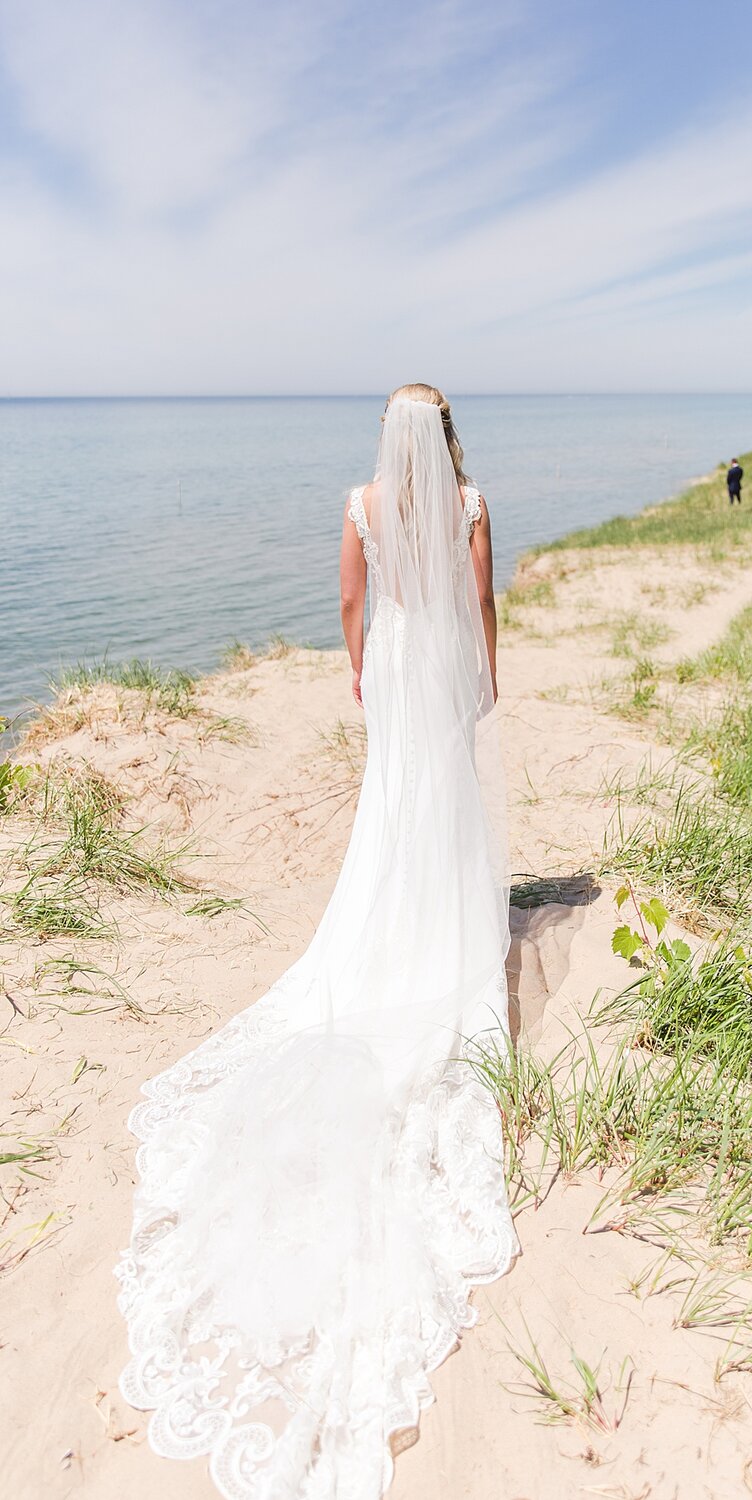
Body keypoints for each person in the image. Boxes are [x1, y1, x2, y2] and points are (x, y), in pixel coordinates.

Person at [115, 385, 518, 1500]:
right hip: (437, 656)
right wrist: (482, 670)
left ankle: (388, 921)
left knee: (390, 804)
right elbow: (482, 603)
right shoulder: (473, 500)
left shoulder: (358, 500)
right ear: (440, 439)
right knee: (441, 802)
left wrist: (360, 666)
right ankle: (442, 927)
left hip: (394, 654)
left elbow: (348, 602)